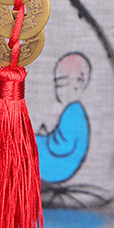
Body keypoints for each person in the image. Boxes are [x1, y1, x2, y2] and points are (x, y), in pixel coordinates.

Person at [36, 52, 91, 184]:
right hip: (57, 158)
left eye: (62, 83)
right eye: (57, 85)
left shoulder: (74, 112)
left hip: (59, 164)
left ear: (79, 82)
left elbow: (63, 147)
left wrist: (48, 140)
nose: (58, 91)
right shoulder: (72, 110)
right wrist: (47, 136)